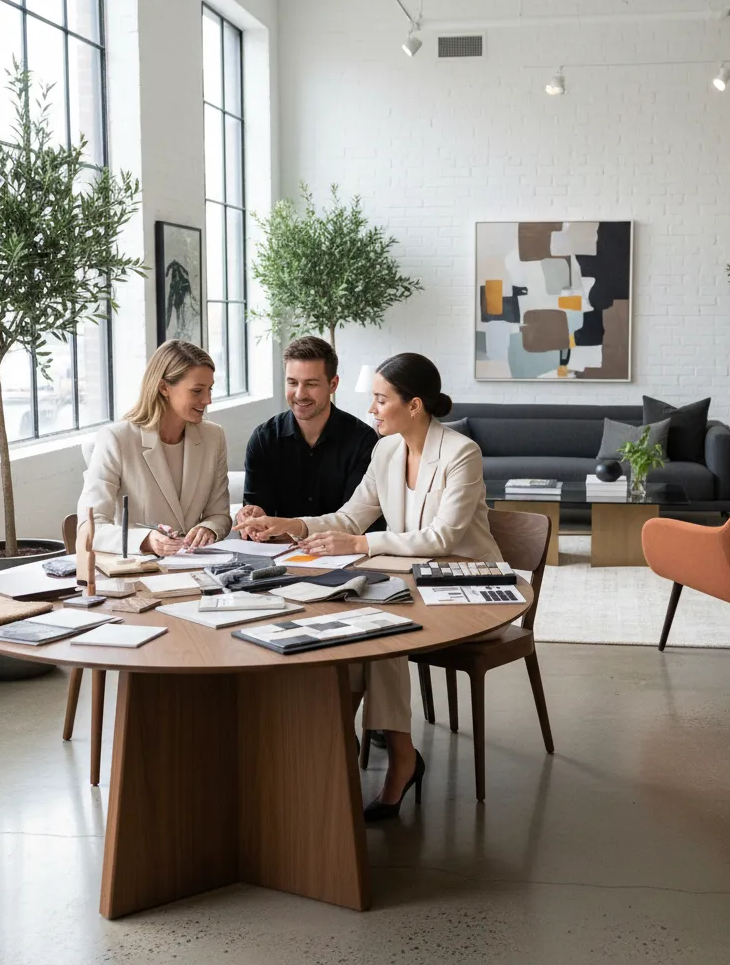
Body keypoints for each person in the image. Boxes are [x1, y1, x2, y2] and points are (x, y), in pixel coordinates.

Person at [239, 353, 501, 821]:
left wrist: (360, 541)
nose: (372, 409)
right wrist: (288, 524)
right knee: (367, 637)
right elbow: (348, 517)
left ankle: (346, 744)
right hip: (412, 585)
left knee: (381, 637)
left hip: (466, 586)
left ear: (415, 404)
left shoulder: (462, 453)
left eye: (381, 399)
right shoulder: (386, 451)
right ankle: (384, 752)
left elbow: (443, 538)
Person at [77, 340, 232, 555]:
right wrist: (146, 541)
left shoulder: (213, 437)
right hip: (139, 570)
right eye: (197, 391)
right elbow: (89, 526)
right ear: (163, 387)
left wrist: (209, 528)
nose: (208, 400)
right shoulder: (116, 439)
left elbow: (219, 514)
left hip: (195, 566)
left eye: (210, 389)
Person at [236, 336, 378, 527]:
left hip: (344, 552)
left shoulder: (363, 441)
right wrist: (254, 515)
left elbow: (356, 520)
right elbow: (258, 512)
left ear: (333, 384)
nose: (300, 394)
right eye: (292, 383)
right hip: (278, 549)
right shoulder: (264, 439)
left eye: (311, 384)